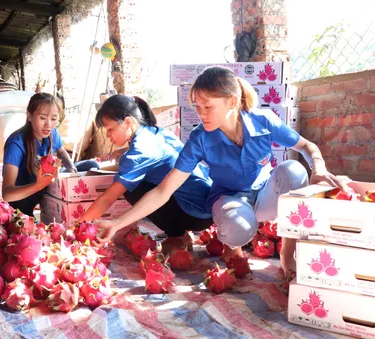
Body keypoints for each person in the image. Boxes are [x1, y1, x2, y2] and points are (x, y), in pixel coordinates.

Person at [95, 66, 348, 278]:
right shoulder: (200, 139)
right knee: (236, 229)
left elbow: (306, 146)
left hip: (265, 195)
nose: (201, 114)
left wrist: (319, 167)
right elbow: (163, 191)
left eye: (208, 107)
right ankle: (234, 244)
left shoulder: (263, 120)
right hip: (231, 201)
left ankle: (287, 252)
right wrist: (116, 224)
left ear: (233, 102)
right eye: (197, 107)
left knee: (293, 170)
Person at [78, 95, 213, 251]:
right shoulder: (157, 133)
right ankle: (182, 234)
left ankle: (177, 235)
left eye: (110, 129)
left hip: (194, 213)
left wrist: (77, 228)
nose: (108, 136)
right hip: (207, 208)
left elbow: (107, 198)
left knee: (131, 188)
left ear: (128, 122)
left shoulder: (139, 151)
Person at [2, 93, 99, 216]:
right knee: (33, 173)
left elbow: (61, 152)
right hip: (25, 199)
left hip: (49, 184)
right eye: (43, 118)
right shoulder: (16, 144)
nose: (48, 124)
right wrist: (38, 185)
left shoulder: (52, 133)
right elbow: (7, 194)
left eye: (53, 119)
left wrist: (71, 168)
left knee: (92, 165)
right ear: (29, 116)